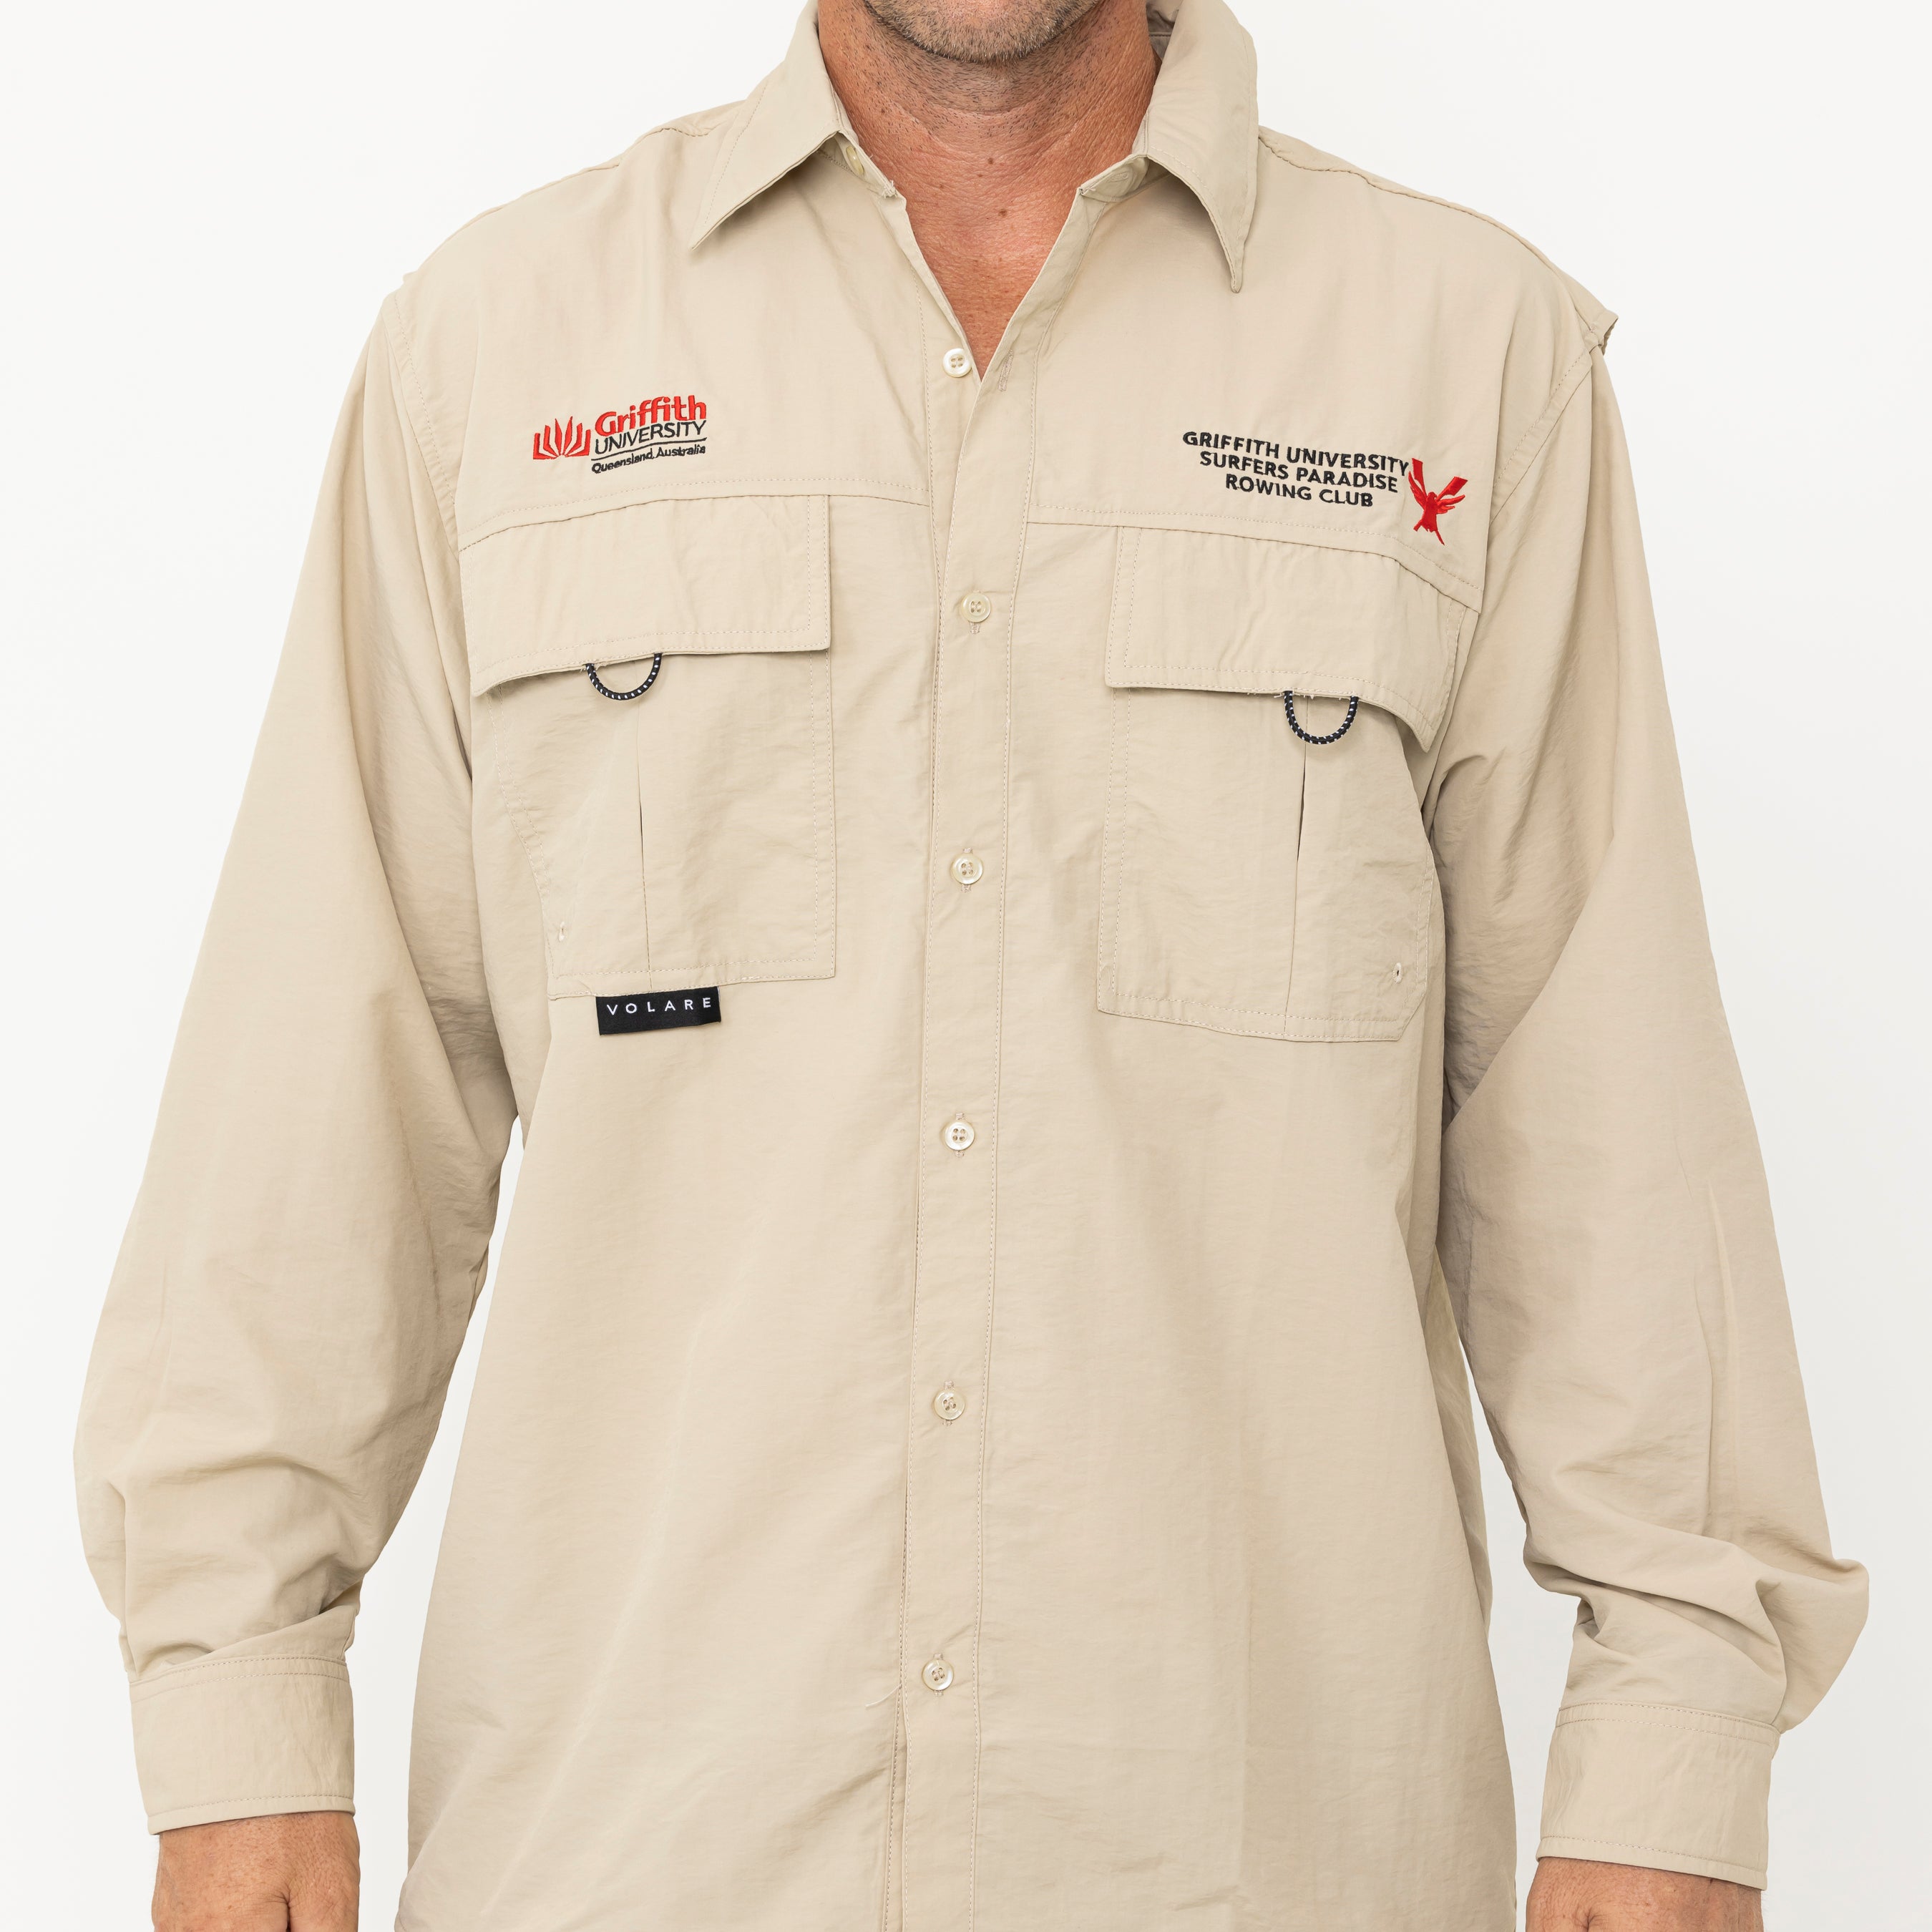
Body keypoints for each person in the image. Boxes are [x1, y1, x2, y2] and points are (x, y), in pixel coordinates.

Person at [78, 2, 1868, 1928]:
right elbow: (326, 1081)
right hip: (635, 1853)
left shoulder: (1465, 354)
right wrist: (237, 1720)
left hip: (1254, 1857)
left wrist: (1674, 1756)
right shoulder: (497, 348)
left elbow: (1602, 1109)